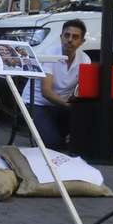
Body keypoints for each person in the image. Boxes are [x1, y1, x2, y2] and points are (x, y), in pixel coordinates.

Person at [26, 19, 91, 151]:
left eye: (75, 37)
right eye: (67, 35)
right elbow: (46, 91)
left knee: (88, 112)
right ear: (61, 37)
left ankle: (57, 136)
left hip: (60, 104)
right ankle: (52, 137)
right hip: (38, 103)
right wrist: (68, 104)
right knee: (52, 145)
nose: (70, 40)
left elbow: (86, 90)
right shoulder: (49, 55)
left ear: (82, 41)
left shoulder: (84, 59)